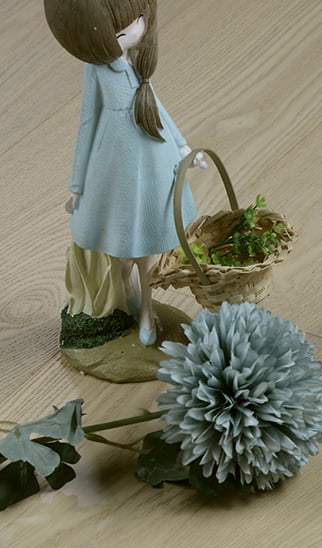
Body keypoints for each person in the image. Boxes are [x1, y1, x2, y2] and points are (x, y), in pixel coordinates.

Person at [45, 0, 205, 346]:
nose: (134, 30)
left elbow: (156, 106)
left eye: (138, 20)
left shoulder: (137, 64)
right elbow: (87, 124)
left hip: (152, 153)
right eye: (120, 31)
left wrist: (182, 147)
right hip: (115, 161)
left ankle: (146, 309)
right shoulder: (98, 70)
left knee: (147, 244)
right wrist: (77, 184)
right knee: (122, 246)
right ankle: (129, 292)